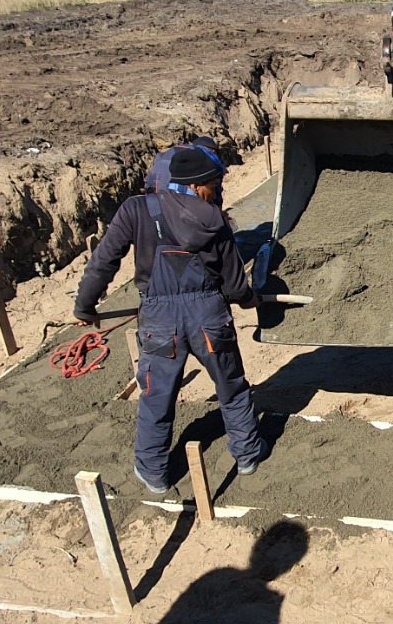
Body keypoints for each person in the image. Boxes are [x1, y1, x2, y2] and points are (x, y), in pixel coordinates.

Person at [75, 147, 267, 494]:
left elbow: (103, 261)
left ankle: (154, 473)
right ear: (194, 186)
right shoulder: (215, 221)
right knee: (231, 386)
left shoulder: (136, 209)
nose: (217, 193)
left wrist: (85, 306)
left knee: (156, 395)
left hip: (160, 322)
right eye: (212, 185)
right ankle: (248, 453)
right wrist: (248, 299)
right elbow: (234, 282)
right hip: (209, 317)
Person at [143, 135, 225, 194]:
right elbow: (215, 188)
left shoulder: (176, 151)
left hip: (152, 188)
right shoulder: (206, 156)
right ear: (213, 151)